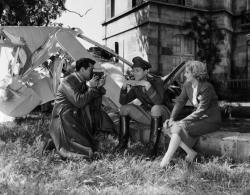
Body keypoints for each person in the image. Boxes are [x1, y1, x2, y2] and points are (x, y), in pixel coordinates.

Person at [49, 58, 114, 159]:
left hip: (75, 116)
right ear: (82, 70)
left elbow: (95, 104)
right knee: (84, 149)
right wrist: (92, 88)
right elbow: (79, 102)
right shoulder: (68, 81)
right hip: (64, 118)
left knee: (91, 144)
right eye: (90, 70)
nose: (92, 73)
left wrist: (98, 87)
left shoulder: (82, 81)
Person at [160, 60, 221, 168]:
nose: (184, 74)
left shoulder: (206, 87)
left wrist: (182, 121)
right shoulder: (187, 85)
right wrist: (171, 118)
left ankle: (165, 161)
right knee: (169, 127)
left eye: (187, 72)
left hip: (210, 120)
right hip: (198, 119)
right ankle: (189, 153)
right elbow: (180, 102)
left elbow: (201, 110)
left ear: (195, 73)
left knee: (177, 127)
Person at [115, 56, 170, 156]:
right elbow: (123, 102)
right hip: (149, 116)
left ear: (146, 71)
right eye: (133, 70)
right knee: (124, 109)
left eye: (137, 70)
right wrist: (124, 88)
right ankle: (122, 145)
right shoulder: (136, 85)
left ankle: (152, 150)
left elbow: (159, 102)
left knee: (155, 108)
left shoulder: (157, 81)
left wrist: (147, 85)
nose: (134, 73)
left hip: (163, 115)